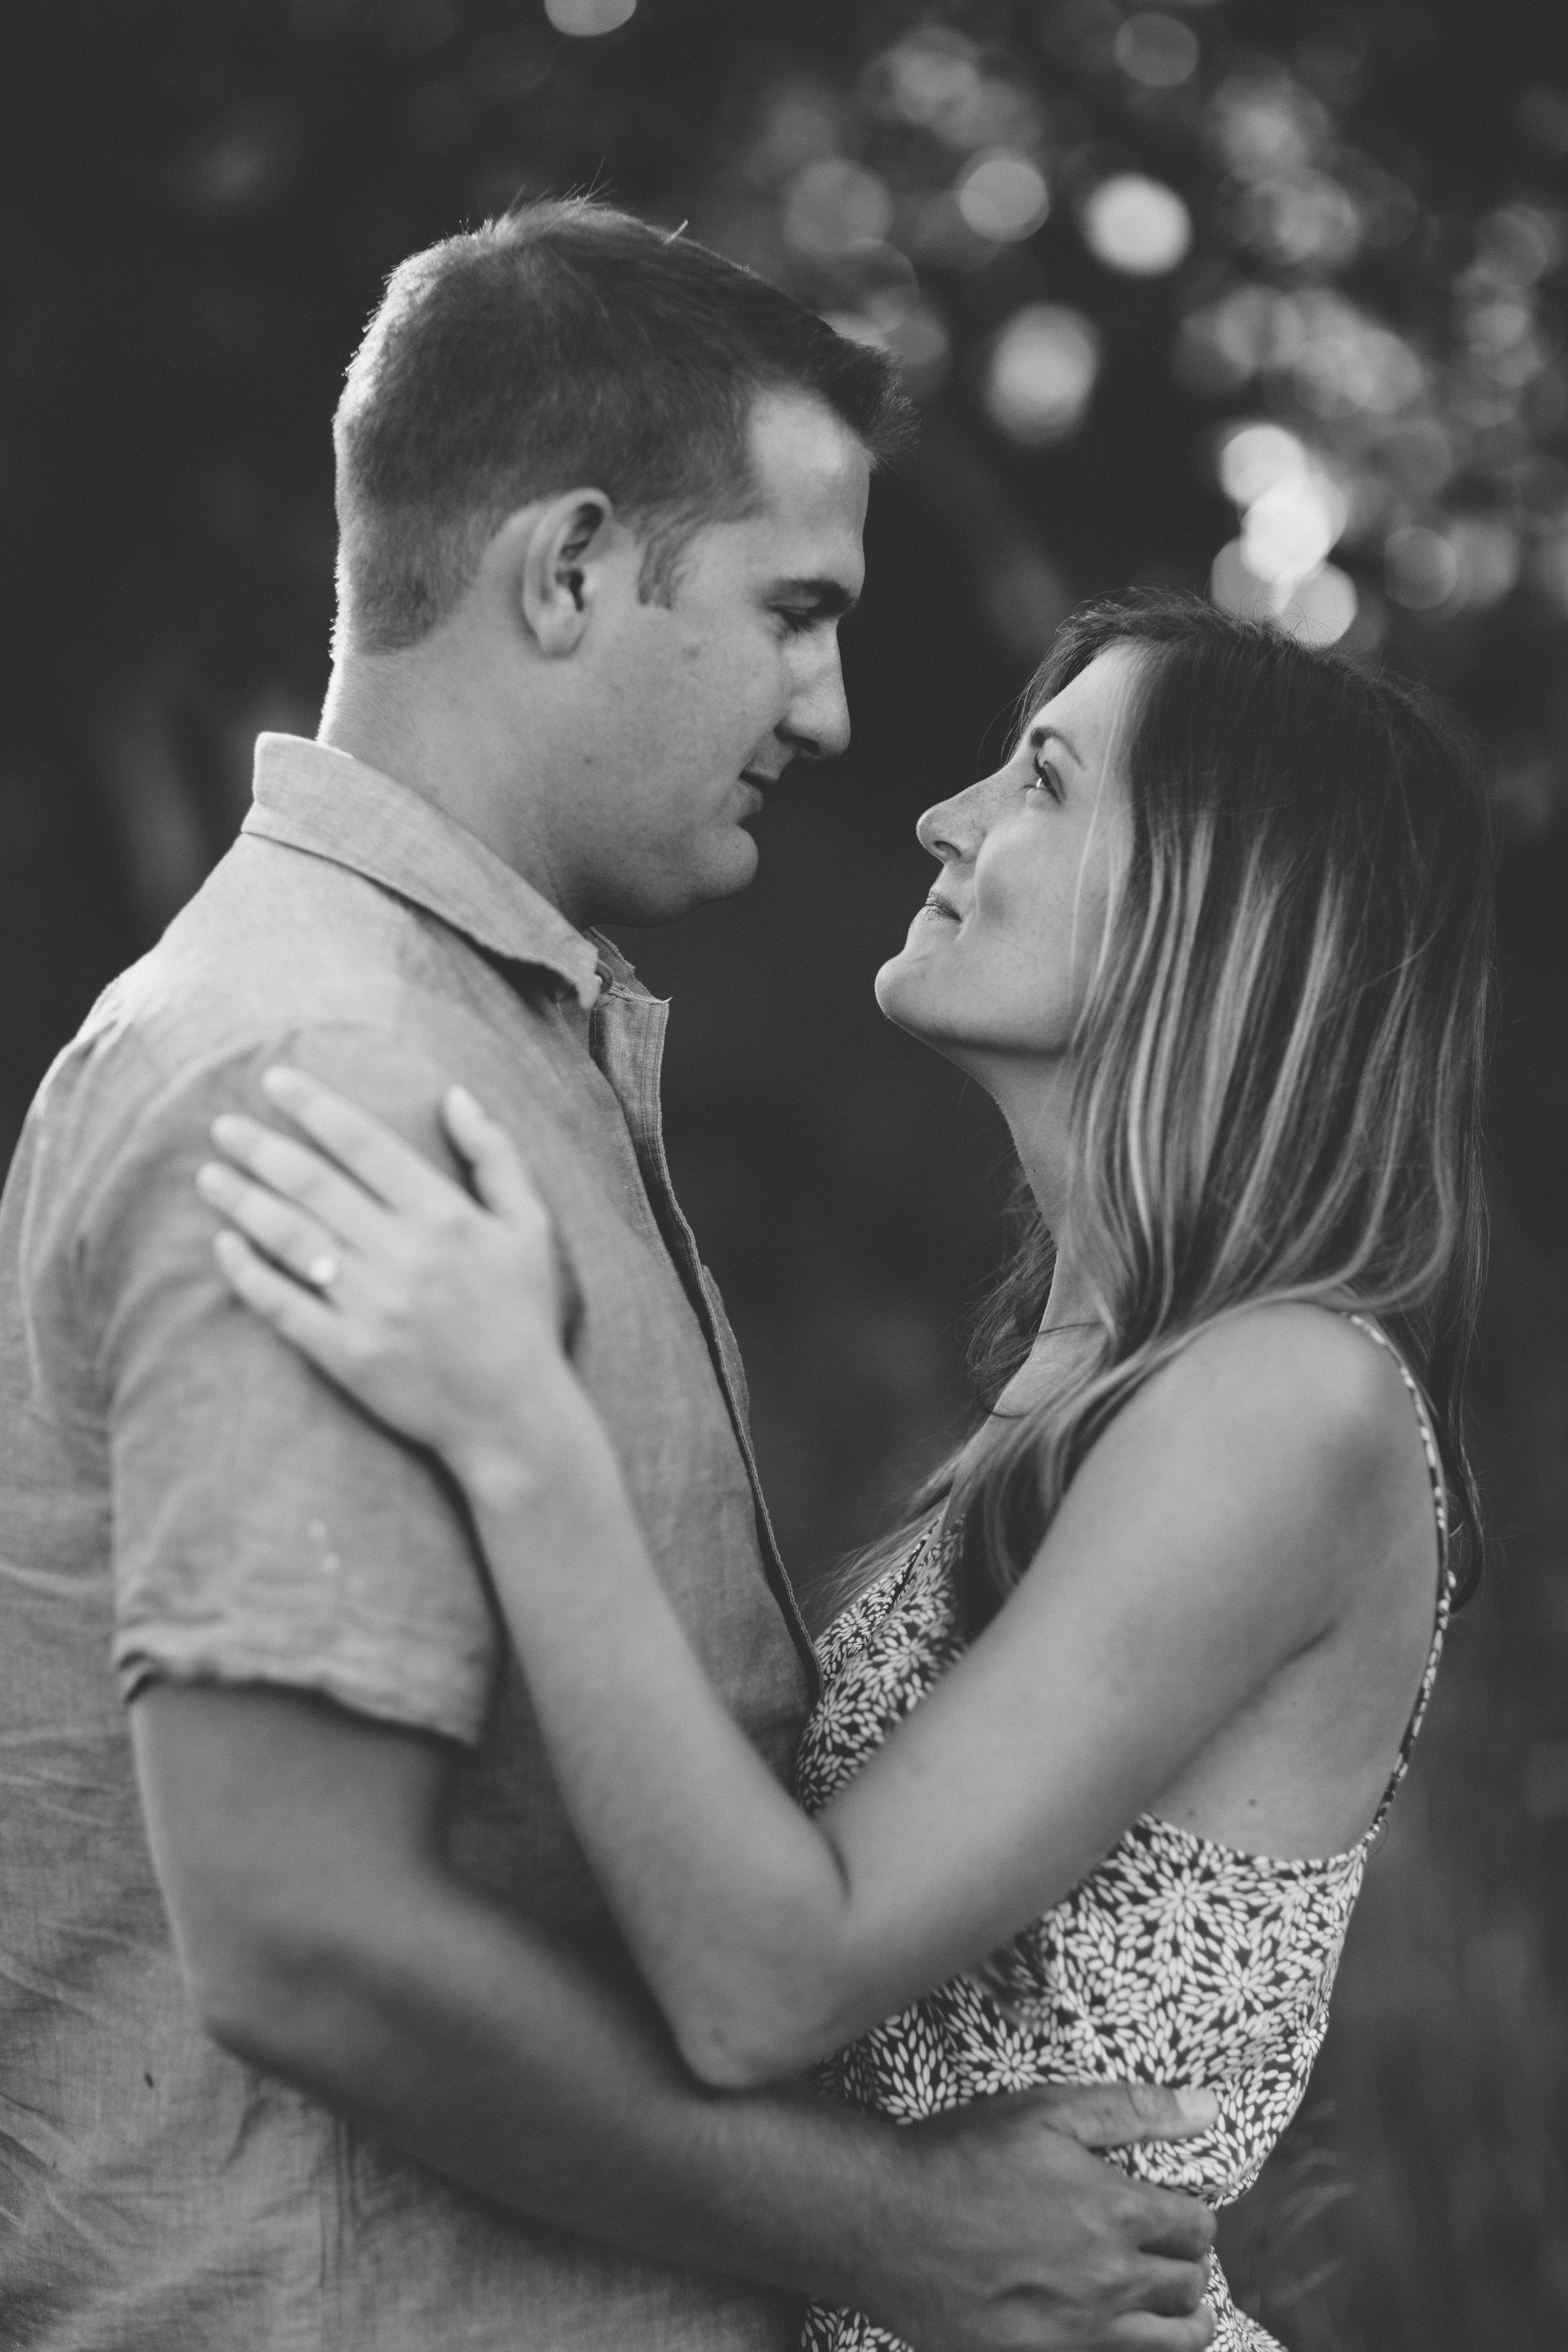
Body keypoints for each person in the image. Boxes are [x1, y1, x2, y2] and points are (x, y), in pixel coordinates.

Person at [0, 203, 1219, 2351]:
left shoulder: (476, 1035)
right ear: (566, 571)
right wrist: (896, 2232)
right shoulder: (330, 1072)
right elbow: (302, 1933)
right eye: (794, 613)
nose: (836, 710)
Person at [199, 591, 1493, 2352]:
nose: (942, 819)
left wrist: (518, 1423)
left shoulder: (1291, 1401)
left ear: (1227, 909)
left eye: (1040, 781)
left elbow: (767, 1980)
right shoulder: (1081, 1398)